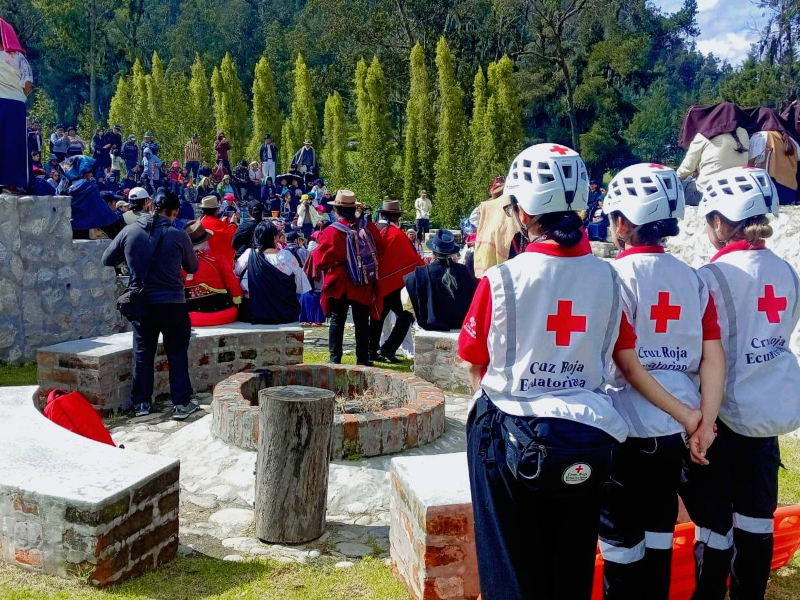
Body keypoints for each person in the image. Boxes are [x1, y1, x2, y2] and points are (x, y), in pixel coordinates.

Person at [458, 143, 659, 599]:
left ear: (524, 212)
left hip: (510, 433)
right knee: (570, 565)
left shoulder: (502, 278)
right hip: (588, 434)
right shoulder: (610, 277)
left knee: (509, 566)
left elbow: (474, 359)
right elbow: (622, 354)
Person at [595, 163, 726, 600]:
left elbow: (628, 365)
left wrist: (691, 417)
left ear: (622, 223)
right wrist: (702, 422)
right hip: (675, 434)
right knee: (659, 533)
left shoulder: (613, 277)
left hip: (626, 426)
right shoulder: (693, 278)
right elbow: (713, 356)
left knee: (620, 542)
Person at [679, 166, 800, 600]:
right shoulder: (787, 271)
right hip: (765, 419)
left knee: (714, 529)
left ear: (718, 221)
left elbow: (698, 350)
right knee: (756, 524)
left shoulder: (709, 278)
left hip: (721, 418)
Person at [101, 189, 200, 420]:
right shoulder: (178, 235)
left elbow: (107, 259)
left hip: (142, 302)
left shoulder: (130, 231)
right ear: (174, 212)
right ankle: (181, 403)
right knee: (177, 353)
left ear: (151, 206)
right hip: (173, 302)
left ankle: (142, 404)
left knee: (143, 353)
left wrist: (131, 257)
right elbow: (193, 267)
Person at [312, 189, 384, 365]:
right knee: (362, 321)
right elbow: (380, 249)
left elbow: (320, 261)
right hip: (362, 281)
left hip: (340, 281)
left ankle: (335, 359)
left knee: (337, 321)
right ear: (354, 208)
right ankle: (363, 359)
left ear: (336, 210)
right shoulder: (368, 227)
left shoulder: (331, 231)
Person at [369, 199, 424, 363]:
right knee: (406, 316)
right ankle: (387, 349)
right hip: (394, 286)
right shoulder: (397, 235)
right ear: (397, 217)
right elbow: (412, 260)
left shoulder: (374, 230)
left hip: (377, 282)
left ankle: (372, 350)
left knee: (378, 317)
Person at [235, 221, 309, 324]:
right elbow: (301, 287)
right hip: (284, 314)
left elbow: (236, 278)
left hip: (252, 314)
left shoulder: (247, 256)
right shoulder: (286, 257)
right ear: (275, 238)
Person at [677, 102, 751, 206]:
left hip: (706, 194)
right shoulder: (744, 134)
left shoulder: (705, 134)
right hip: (735, 192)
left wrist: (675, 178)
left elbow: (686, 169)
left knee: (676, 187)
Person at [405, 229, 476, 331]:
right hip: (460, 322)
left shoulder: (421, 273)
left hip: (432, 322)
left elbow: (409, 280)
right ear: (452, 252)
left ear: (433, 252)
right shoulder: (464, 270)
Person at [182, 220, 242, 326]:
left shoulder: (179, 263)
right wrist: (238, 301)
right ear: (206, 241)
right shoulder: (217, 259)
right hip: (223, 314)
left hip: (190, 317)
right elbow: (232, 284)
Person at [0, 18, 32, 191]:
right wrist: (19, 94)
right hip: (15, 104)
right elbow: (28, 83)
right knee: (14, 143)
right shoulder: (19, 58)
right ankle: (11, 183)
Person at [748, 107, 800, 205]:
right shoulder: (792, 140)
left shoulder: (761, 136)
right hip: (790, 192)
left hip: (771, 191)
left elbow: (750, 162)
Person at [65, 156, 123, 240]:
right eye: (89, 171)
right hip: (87, 229)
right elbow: (103, 211)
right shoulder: (88, 187)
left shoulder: (64, 186)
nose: (92, 174)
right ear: (82, 171)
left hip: (70, 230)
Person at [199, 195, 238, 265]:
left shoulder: (201, 220)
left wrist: (222, 223)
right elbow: (230, 236)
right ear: (216, 210)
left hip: (203, 258)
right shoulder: (217, 223)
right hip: (215, 260)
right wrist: (233, 224)